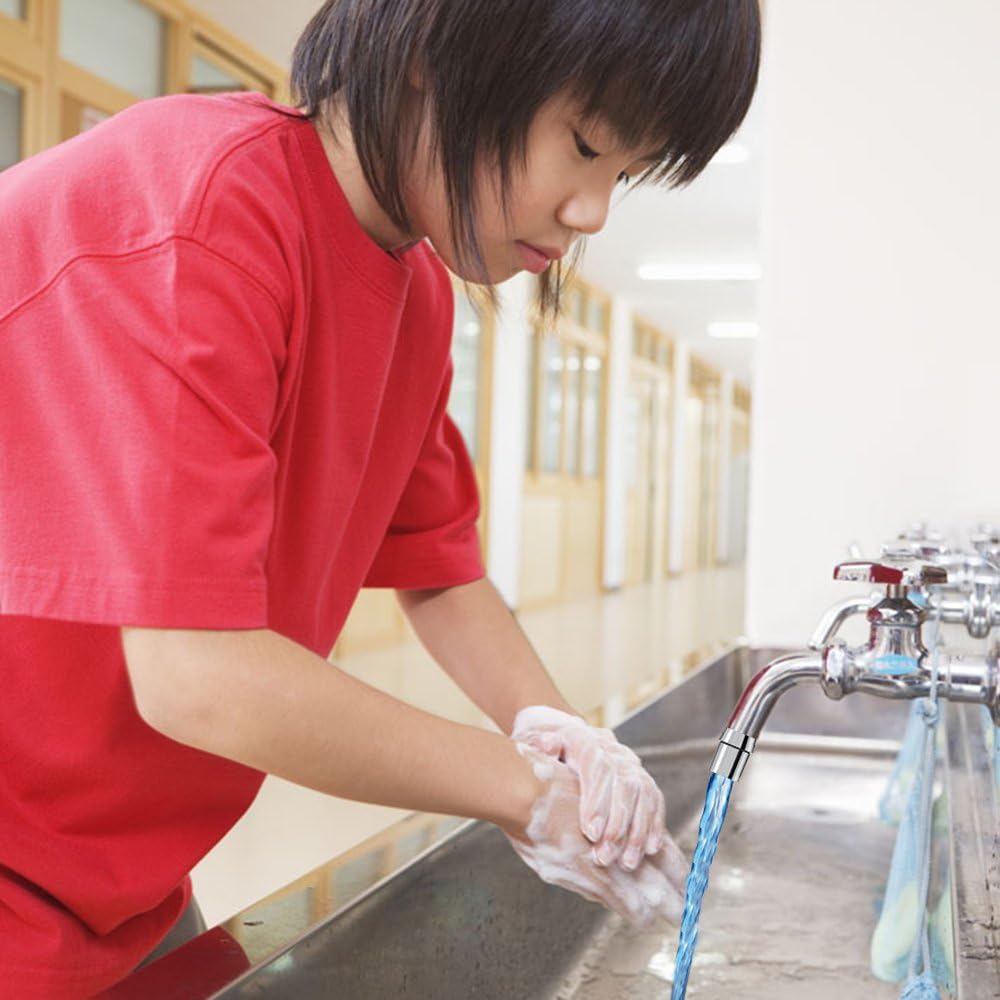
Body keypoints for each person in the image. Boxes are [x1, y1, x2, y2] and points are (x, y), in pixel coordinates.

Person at [0, 0, 760, 994]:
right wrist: (523, 792)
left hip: (119, 876)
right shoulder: (203, 211)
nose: (592, 212)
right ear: (436, 46)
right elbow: (196, 672)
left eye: (623, 173)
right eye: (583, 145)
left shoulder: (414, 296)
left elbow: (439, 570)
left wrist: (571, 744)